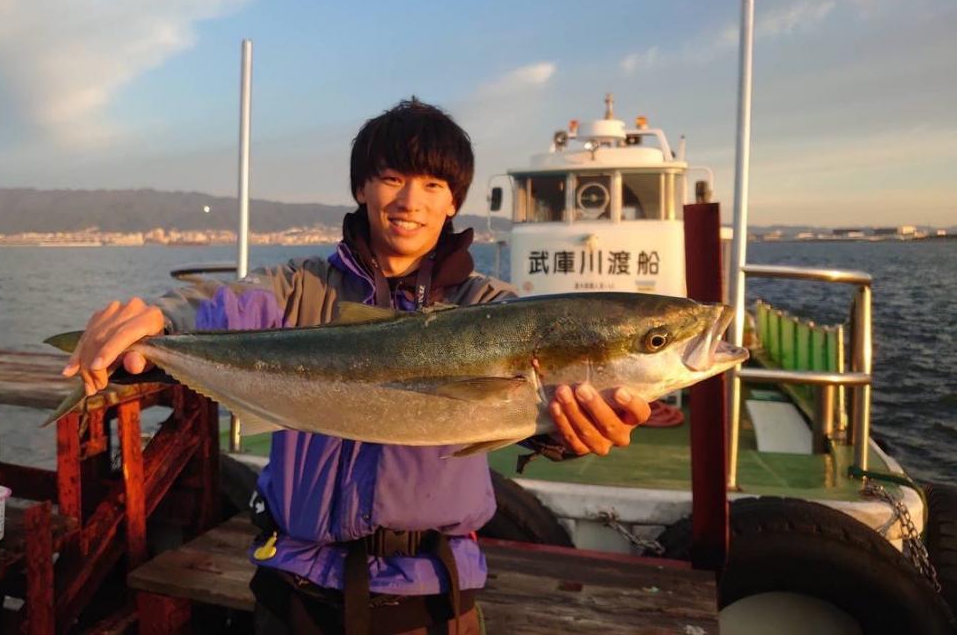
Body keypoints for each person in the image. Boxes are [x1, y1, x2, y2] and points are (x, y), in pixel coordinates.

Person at [62, 99, 651, 634]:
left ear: (454, 201)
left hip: (429, 600)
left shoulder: (491, 309)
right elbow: (222, 306)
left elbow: (536, 408)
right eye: (392, 179)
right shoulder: (301, 288)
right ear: (361, 188)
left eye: (433, 184)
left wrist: (564, 436)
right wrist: (158, 320)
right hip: (292, 592)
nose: (410, 201)